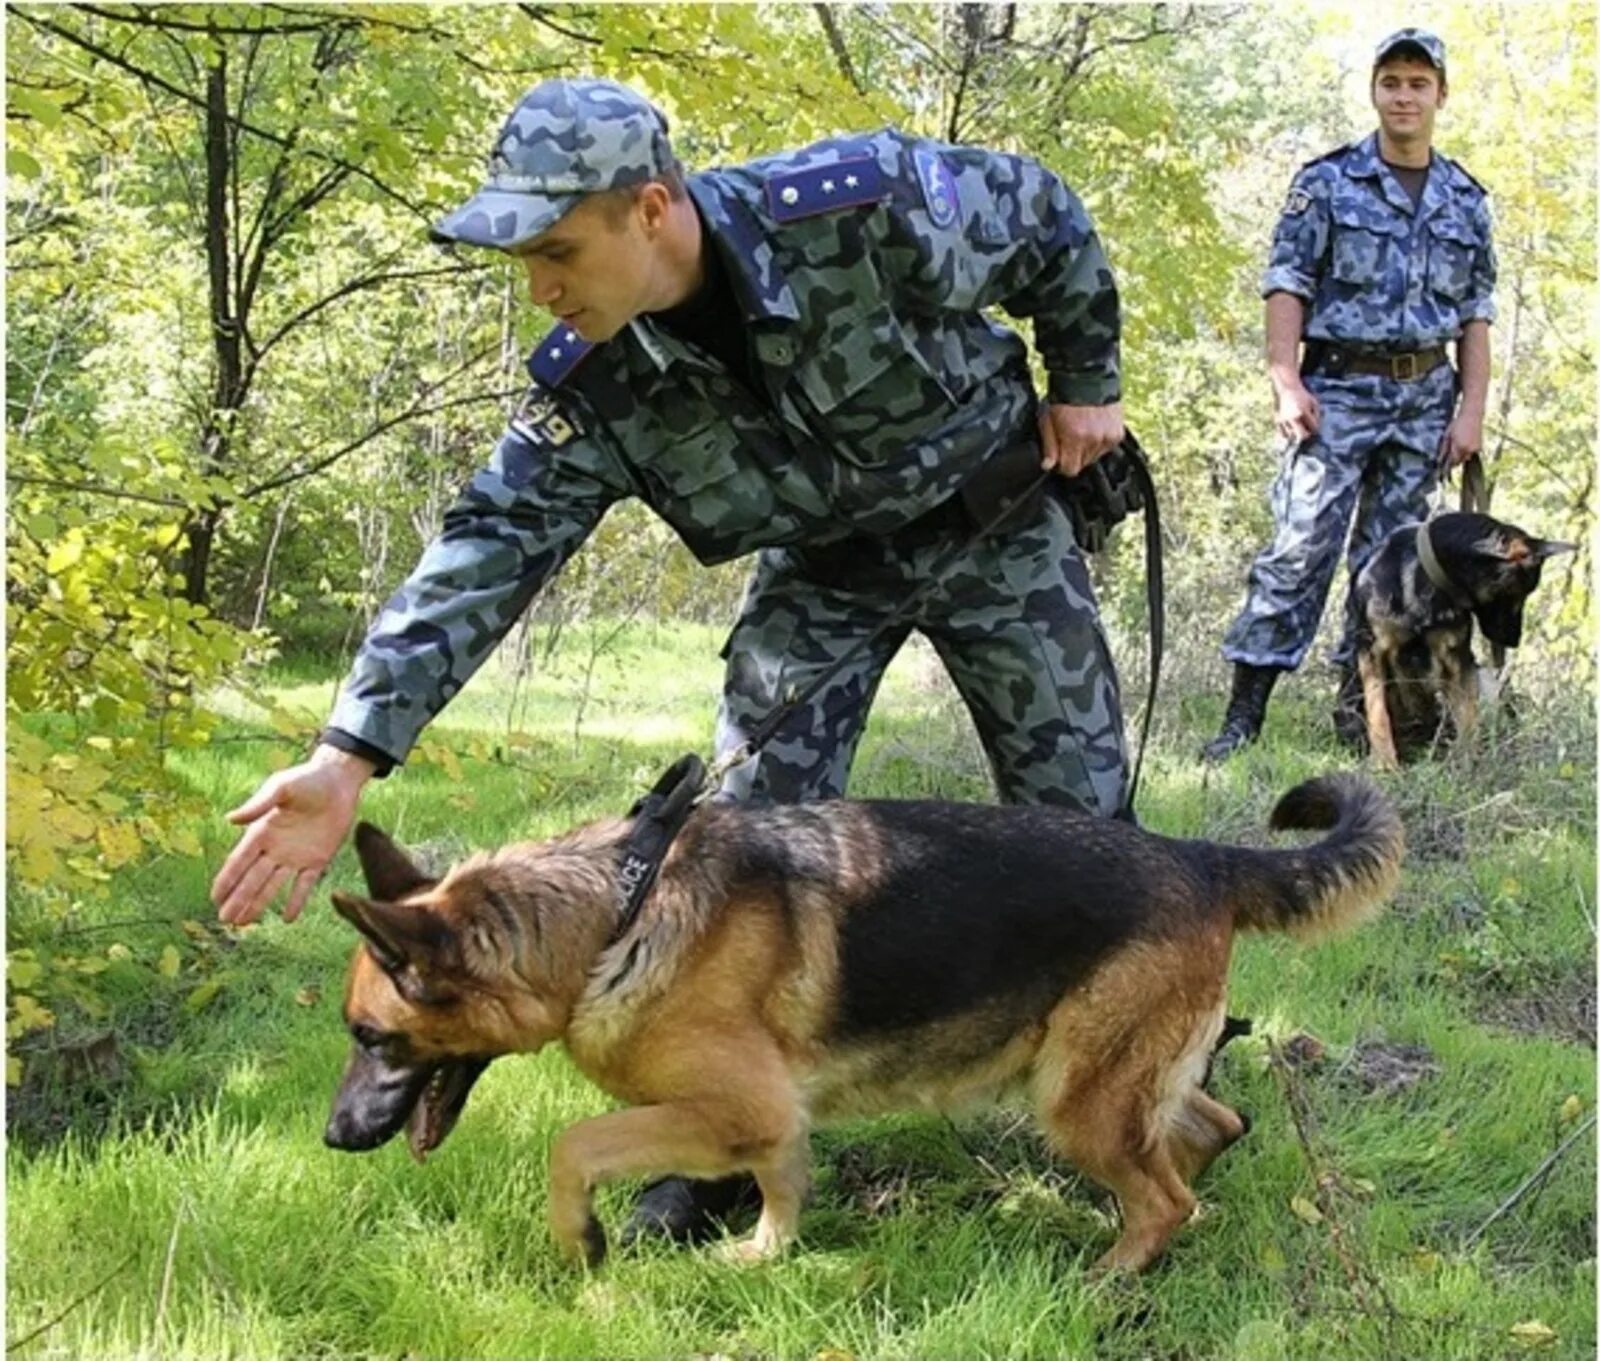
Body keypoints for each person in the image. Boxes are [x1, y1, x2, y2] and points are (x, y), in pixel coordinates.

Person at [212, 77, 1130, 1239]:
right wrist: (348, 756)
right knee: (741, 844)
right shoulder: (592, 379)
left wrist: (1088, 380)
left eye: (558, 250)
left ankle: (1149, 1083)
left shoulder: (860, 207)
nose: (541, 288)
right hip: (826, 568)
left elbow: (1047, 219)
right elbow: (485, 550)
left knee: (1090, 831)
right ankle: (716, 1142)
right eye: (526, 260)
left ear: (652, 209)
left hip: (994, 522)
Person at [1202, 28, 1496, 761]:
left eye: (1418, 84)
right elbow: (1286, 285)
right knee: (1298, 550)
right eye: (1392, 81)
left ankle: (1360, 712)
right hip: (1334, 391)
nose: (1404, 95)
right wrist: (1285, 380)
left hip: (1425, 400)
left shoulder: (1466, 199)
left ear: (1440, 96)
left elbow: (1475, 315)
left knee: (1395, 569)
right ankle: (1244, 718)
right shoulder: (1326, 184)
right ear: (1375, 91)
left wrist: (1471, 410)